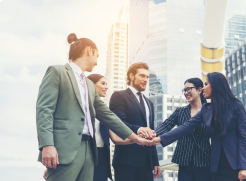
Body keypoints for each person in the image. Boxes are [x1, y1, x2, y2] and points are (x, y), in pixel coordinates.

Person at [36, 33, 156, 181]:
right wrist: (47, 145)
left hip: (90, 153)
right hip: (65, 150)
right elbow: (44, 110)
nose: (97, 62)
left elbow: (108, 116)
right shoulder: (57, 72)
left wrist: (135, 138)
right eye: (97, 56)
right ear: (89, 51)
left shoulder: (89, 85)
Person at [153, 72, 246, 181]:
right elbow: (186, 127)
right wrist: (159, 138)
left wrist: (244, 167)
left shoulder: (236, 106)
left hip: (234, 165)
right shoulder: (207, 109)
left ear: (216, 85)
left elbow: (243, 138)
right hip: (215, 165)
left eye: (206, 84)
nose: (203, 88)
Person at [42, 74, 136, 180]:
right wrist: (57, 166)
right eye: (103, 83)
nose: (106, 87)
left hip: (100, 157)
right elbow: (64, 136)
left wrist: (137, 140)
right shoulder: (79, 107)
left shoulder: (104, 112)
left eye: (106, 84)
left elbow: (115, 137)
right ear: (91, 85)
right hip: (80, 153)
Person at [109, 62, 160, 181]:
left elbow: (151, 133)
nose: (146, 80)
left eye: (147, 77)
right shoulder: (119, 96)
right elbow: (118, 123)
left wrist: (155, 161)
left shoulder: (149, 103)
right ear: (131, 76)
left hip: (146, 163)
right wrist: (138, 129)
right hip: (126, 161)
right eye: (142, 76)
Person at [155, 78, 211, 181]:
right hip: (184, 161)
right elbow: (166, 125)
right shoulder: (180, 111)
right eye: (184, 90)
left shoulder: (209, 111)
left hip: (204, 160)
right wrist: (152, 134)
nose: (186, 93)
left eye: (189, 89)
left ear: (199, 90)